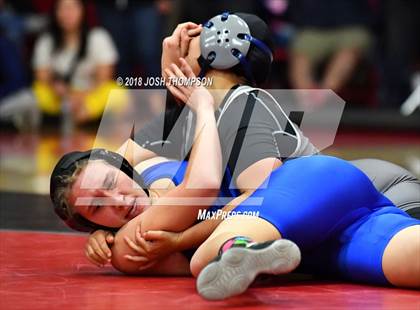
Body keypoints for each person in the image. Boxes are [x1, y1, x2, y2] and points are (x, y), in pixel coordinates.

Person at [50, 12, 420, 299]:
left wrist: (181, 240)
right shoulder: (183, 128)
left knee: (204, 257)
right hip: (335, 233)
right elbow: (100, 167)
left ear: (217, 53)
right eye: (98, 207)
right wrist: (96, 229)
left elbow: (259, 195)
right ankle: (242, 248)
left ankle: (237, 246)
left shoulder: (238, 106)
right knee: (405, 262)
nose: (117, 200)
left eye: (191, 42)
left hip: (331, 185)